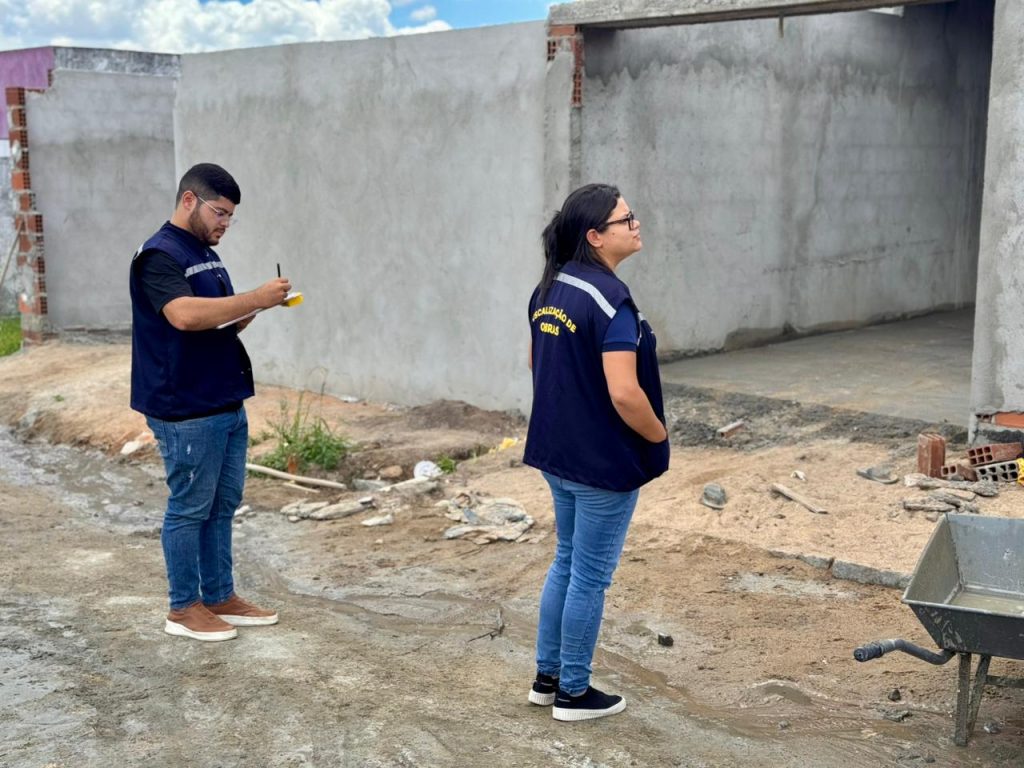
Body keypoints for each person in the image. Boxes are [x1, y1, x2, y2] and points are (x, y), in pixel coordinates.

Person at [524, 183, 670, 721]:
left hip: (557, 454)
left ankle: (547, 679)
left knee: (566, 561)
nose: (636, 224)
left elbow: (537, 363)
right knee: (588, 575)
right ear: (595, 236)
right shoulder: (612, 301)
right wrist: (658, 435)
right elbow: (625, 393)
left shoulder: (549, 288)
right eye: (625, 219)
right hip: (600, 464)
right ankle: (573, 693)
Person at [129, 163, 291, 642]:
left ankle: (219, 596)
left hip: (222, 397)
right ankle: (183, 608)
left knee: (222, 504)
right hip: (185, 405)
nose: (225, 223)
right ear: (189, 201)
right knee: (190, 507)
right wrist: (254, 295)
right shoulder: (159, 255)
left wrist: (259, 304)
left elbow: (220, 321)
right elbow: (183, 315)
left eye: (230, 216)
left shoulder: (205, 255)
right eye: (219, 212)